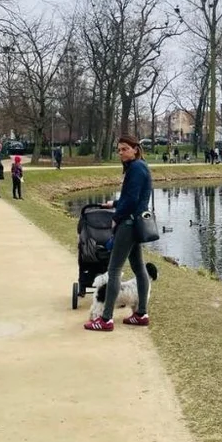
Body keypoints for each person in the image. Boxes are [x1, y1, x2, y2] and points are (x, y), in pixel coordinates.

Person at [85, 135, 153, 332]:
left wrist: (116, 217)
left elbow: (131, 201)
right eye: (119, 150)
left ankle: (106, 319)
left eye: (124, 149)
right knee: (139, 269)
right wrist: (114, 204)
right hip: (137, 223)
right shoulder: (140, 166)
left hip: (129, 224)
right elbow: (133, 198)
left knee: (114, 270)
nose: (120, 153)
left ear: (135, 149)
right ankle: (141, 313)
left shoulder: (136, 168)